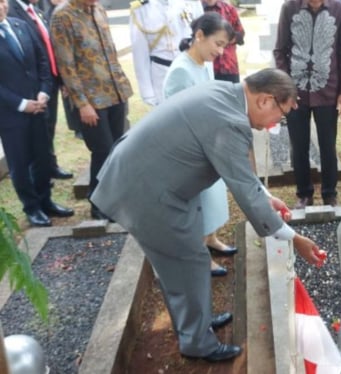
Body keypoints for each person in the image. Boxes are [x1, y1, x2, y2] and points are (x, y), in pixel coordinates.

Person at [90, 68, 324, 362]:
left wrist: (267, 196)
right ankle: (197, 342)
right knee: (187, 261)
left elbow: (237, 171)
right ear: (265, 100)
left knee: (187, 262)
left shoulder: (225, 93)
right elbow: (245, 193)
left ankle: (194, 324)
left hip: (157, 179)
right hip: (147, 191)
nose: (274, 125)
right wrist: (295, 239)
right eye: (281, 116)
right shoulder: (230, 121)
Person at [162, 13, 237, 277]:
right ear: (199, 35)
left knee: (213, 195)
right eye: (217, 44)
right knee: (199, 203)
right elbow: (178, 117)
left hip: (207, 138)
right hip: (190, 145)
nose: (219, 51)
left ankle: (211, 238)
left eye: (223, 46)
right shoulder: (182, 70)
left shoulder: (204, 63)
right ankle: (201, 255)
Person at [50, 0, 133, 220]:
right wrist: (82, 103)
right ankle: (98, 203)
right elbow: (66, 65)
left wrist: (122, 90)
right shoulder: (63, 16)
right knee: (103, 151)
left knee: (118, 149)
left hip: (114, 92)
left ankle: (117, 197)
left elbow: (110, 51)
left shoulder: (98, 9)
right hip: (91, 100)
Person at [273, 0, 341, 208]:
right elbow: (280, 51)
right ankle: (304, 194)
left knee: (328, 145)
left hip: (328, 89)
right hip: (295, 92)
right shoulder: (289, 8)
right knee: (298, 145)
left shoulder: (339, 9)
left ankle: (329, 194)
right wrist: (285, 88)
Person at [0, 0, 73, 227]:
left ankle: (46, 201)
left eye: (2, 1)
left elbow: (42, 61)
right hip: (12, 114)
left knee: (42, 157)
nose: (1, 6)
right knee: (20, 163)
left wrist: (44, 91)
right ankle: (32, 208)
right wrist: (22, 104)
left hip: (39, 107)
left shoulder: (19, 24)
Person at [130, 0, 203, 107]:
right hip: (161, 75)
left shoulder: (191, 2)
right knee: (167, 118)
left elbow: (203, 42)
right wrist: (147, 92)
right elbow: (140, 54)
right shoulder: (141, 9)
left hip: (190, 70)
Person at [201, 0, 245, 83]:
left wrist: (223, 40)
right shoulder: (196, 9)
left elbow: (240, 34)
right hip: (205, 67)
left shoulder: (229, 9)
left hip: (229, 67)